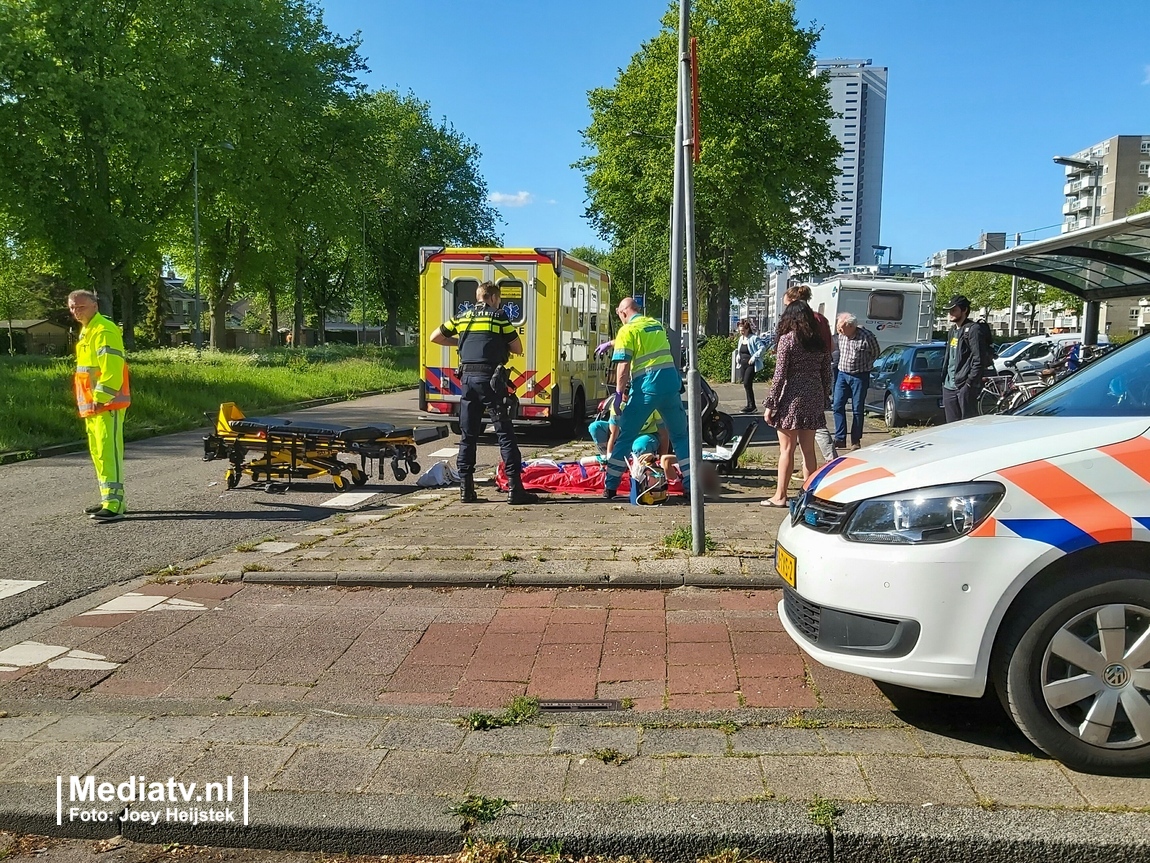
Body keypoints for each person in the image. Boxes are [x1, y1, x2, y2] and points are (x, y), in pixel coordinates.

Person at [430, 281, 537, 505]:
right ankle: (515, 489)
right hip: (491, 382)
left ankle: (466, 491)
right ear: (494, 298)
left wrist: (460, 341)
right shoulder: (498, 316)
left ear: (477, 296)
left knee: (468, 436)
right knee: (505, 434)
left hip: (467, 381)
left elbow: (435, 337)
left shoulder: (462, 317)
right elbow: (518, 348)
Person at [604, 297, 692, 500]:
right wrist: (611, 343)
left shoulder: (626, 330)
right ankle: (690, 485)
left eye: (619, 316)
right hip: (670, 384)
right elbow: (642, 340)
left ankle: (610, 486)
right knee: (680, 437)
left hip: (647, 387)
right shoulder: (655, 324)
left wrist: (618, 394)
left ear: (623, 313)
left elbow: (623, 366)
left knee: (625, 436)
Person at [68, 290, 131, 523]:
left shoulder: (103, 329)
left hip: (107, 403)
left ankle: (114, 505)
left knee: (109, 452)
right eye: (73, 307)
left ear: (95, 305)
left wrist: (101, 396)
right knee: (99, 453)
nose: (76, 311)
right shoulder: (88, 330)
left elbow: (113, 366)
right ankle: (109, 500)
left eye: (81, 306)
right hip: (94, 405)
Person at [761, 303, 832, 507]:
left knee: (787, 449)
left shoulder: (787, 340)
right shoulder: (819, 342)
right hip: (814, 395)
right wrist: (824, 396)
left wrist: (771, 403)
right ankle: (809, 496)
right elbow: (827, 373)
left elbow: (780, 375)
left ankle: (780, 496)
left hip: (792, 396)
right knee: (808, 450)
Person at [783, 285, 838, 464]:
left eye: (786, 306)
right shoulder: (820, 319)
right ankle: (812, 477)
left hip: (795, 388)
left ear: (793, 304)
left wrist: (772, 402)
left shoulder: (796, 327)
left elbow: (781, 372)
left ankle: (831, 459)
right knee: (810, 442)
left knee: (789, 446)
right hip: (815, 380)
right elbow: (829, 349)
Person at [832, 312, 880, 451]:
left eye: (841, 327)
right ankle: (840, 438)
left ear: (851, 326)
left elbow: (876, 353)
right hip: (842, 374)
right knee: (837, 405)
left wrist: (866, 365)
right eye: (838, 327)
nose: (839, 330)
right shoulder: (841, 335)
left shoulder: (866, 336)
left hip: (860, 376)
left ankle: (855, 440)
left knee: (857, 409)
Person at [941, 294, 989, 423]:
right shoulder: (952, 330)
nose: (950, 313)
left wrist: (969, 383)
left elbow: (979, 359)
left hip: (963, 386)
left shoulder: (973, 330)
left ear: (965, 310)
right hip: (948, 385)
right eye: (949, 310)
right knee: (951, 426)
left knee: (967, 425)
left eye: (954, 310)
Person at [588, 400, 664, 459]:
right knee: (595, 427)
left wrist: (663, 457)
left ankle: (639, 461)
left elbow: (664, 433)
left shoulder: (652, 403)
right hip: (623, 434)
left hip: (644, 435)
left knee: (640, 447)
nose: (624, 396)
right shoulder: (618, 403)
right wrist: (609, 455)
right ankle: (605, 456)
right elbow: (613, 433)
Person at [732, 319, 767, 413]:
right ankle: (750, 405)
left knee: (747, 382)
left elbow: (762, 348)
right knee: (746, 385)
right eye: (740, 330)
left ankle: (752, 405)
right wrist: (738, 356)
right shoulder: (741, 339)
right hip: (742, 364)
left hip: (751, 364)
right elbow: (740, 350)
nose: (741, 332)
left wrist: (754, 357)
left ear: (747, 329)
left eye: (743, 330)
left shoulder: (753, 338)